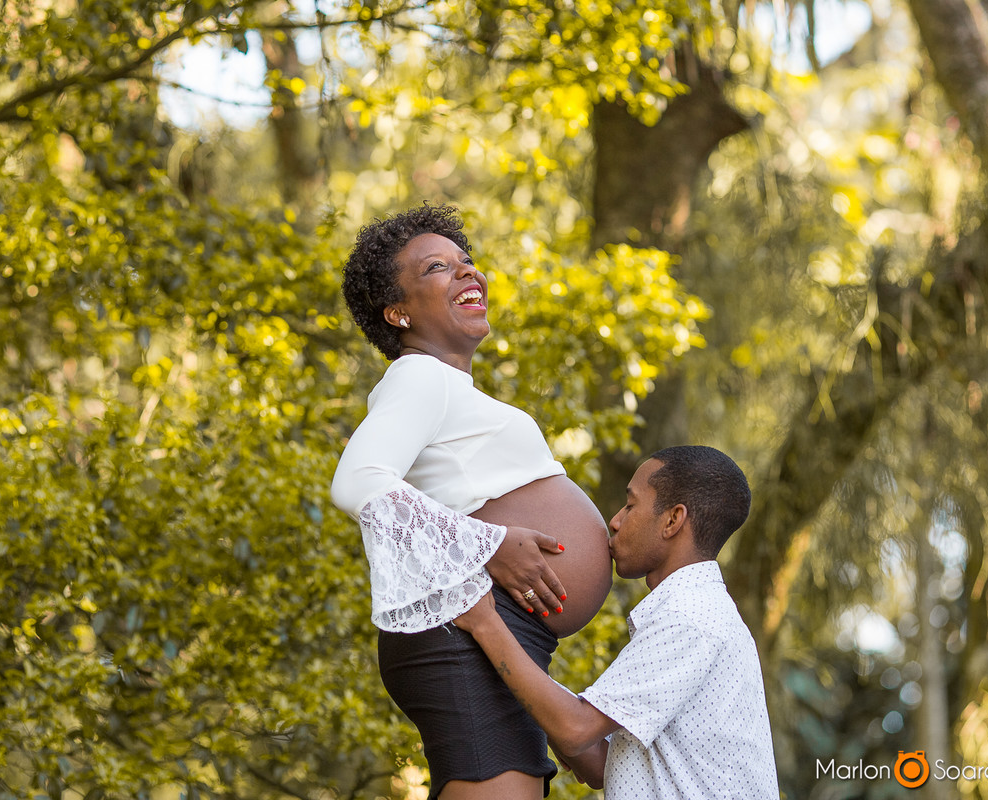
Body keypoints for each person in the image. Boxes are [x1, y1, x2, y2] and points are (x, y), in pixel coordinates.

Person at [330, 203, 613, 799]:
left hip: (496, 638)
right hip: (468, 633)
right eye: (438, 267)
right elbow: (357, 483)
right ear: (398, 312)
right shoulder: (420, 376)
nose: (468, 273)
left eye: (467, 262)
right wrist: (489, 545)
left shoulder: (448, 387)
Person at [453, 445, 781, 798]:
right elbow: (596, 762)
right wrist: (516, 664)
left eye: (631, 504)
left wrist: (485, 622)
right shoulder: (697, 612)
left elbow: (575, 730)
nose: (616, 520)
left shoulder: (690, 617)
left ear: (673, 520)